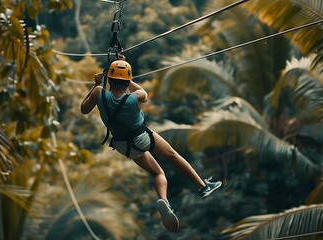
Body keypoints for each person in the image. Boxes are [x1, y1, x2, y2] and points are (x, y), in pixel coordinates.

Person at [80, 57, 222, 232]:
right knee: (172, 155)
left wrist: (96, 84)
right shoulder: (134, 98)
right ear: (126, 80)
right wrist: (129, 79)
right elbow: (144, 94)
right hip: (141, 137)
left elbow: (84, 109)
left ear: (110, 78)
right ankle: (203, 186)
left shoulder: (99, 93)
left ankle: (165, 201)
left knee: (157, 172)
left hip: (122, 145)